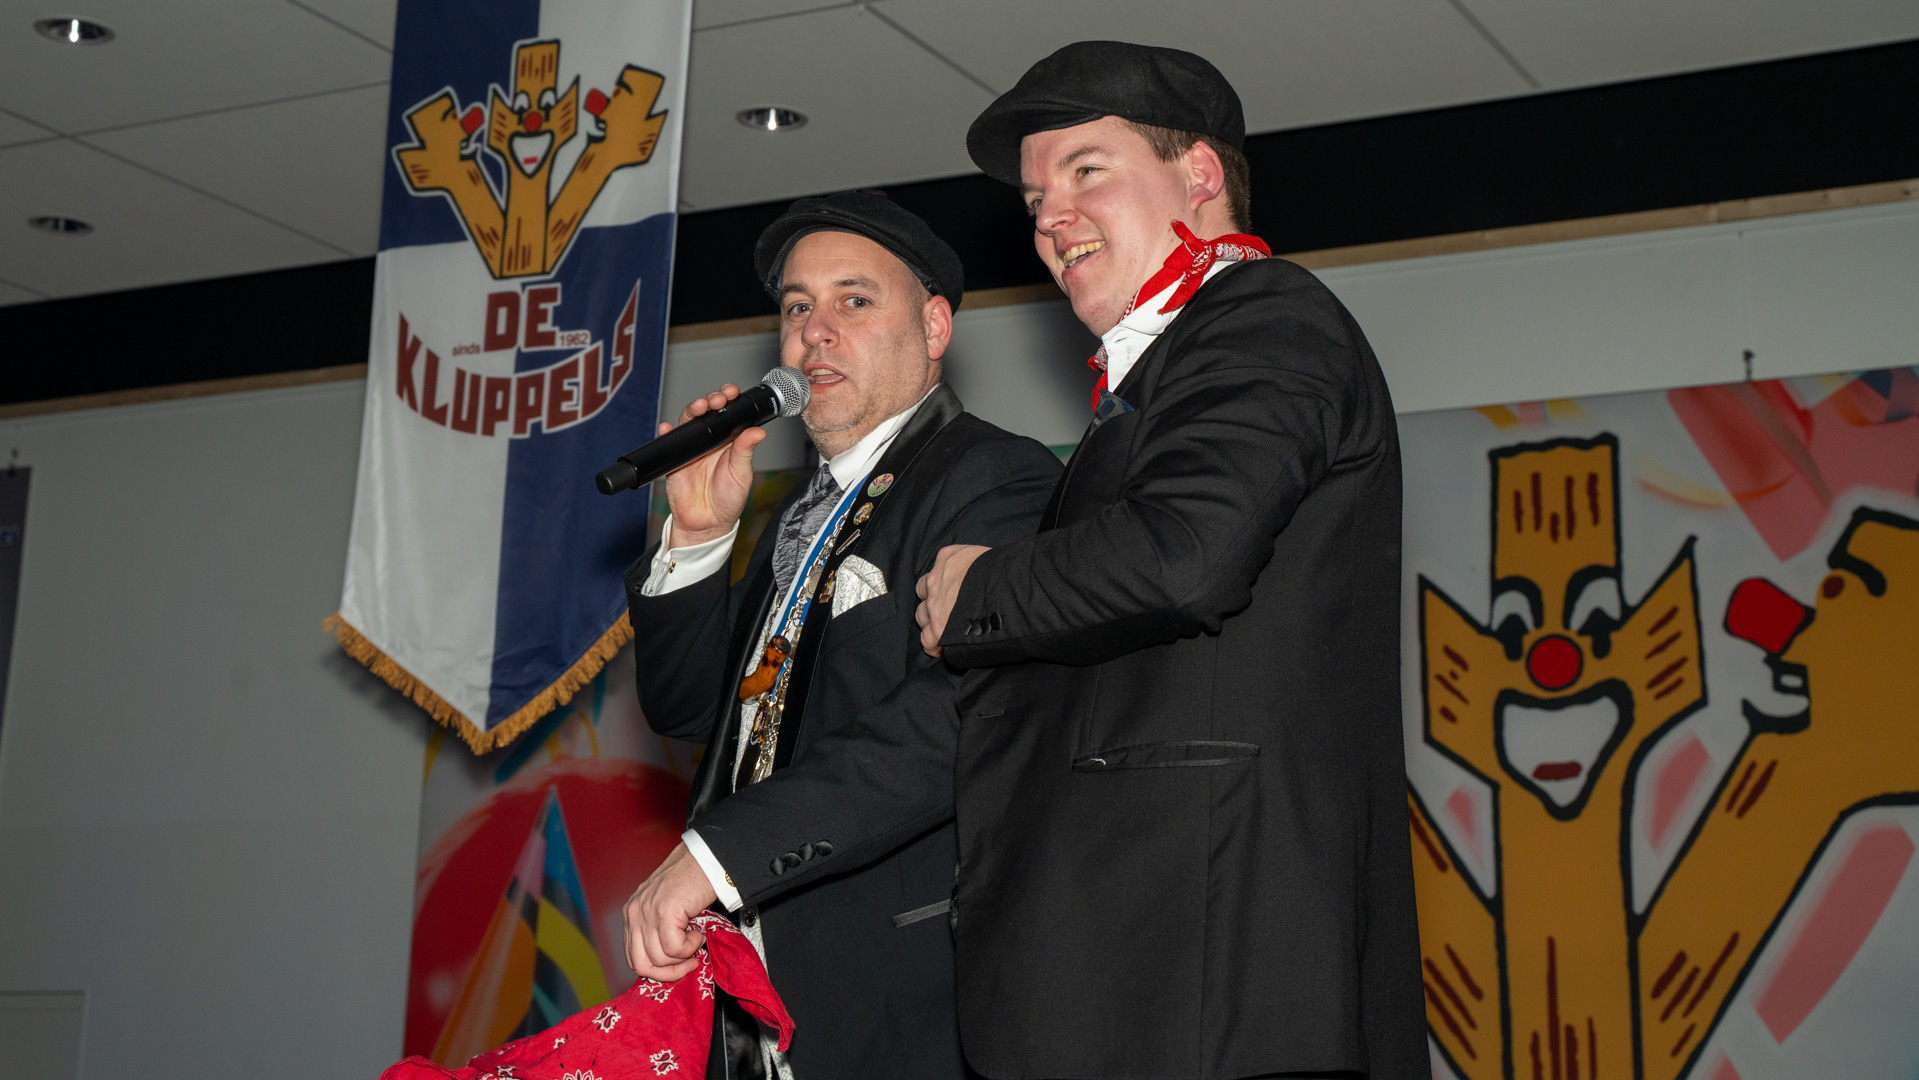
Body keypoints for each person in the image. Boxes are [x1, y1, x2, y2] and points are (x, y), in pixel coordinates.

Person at [913, 42, 1425, 1079]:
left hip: (1205, 973)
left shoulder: (1261, 313)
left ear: (1197, 174)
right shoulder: (1172, 366)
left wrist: (979, 591)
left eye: (1085, 171)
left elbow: (1185, 554)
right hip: (1163, 966)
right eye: (1034, 199)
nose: (1050, 217)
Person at [621, 189, 1061, 1080]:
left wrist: (720, 854)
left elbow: (959, 712)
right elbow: (690, 712)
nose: (814, 333)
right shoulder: (799, 515)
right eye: (796, 308)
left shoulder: (991, 475)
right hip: (751, 987)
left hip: (900, 986)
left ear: (934, 327)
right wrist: (699, 538)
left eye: (853, 301)